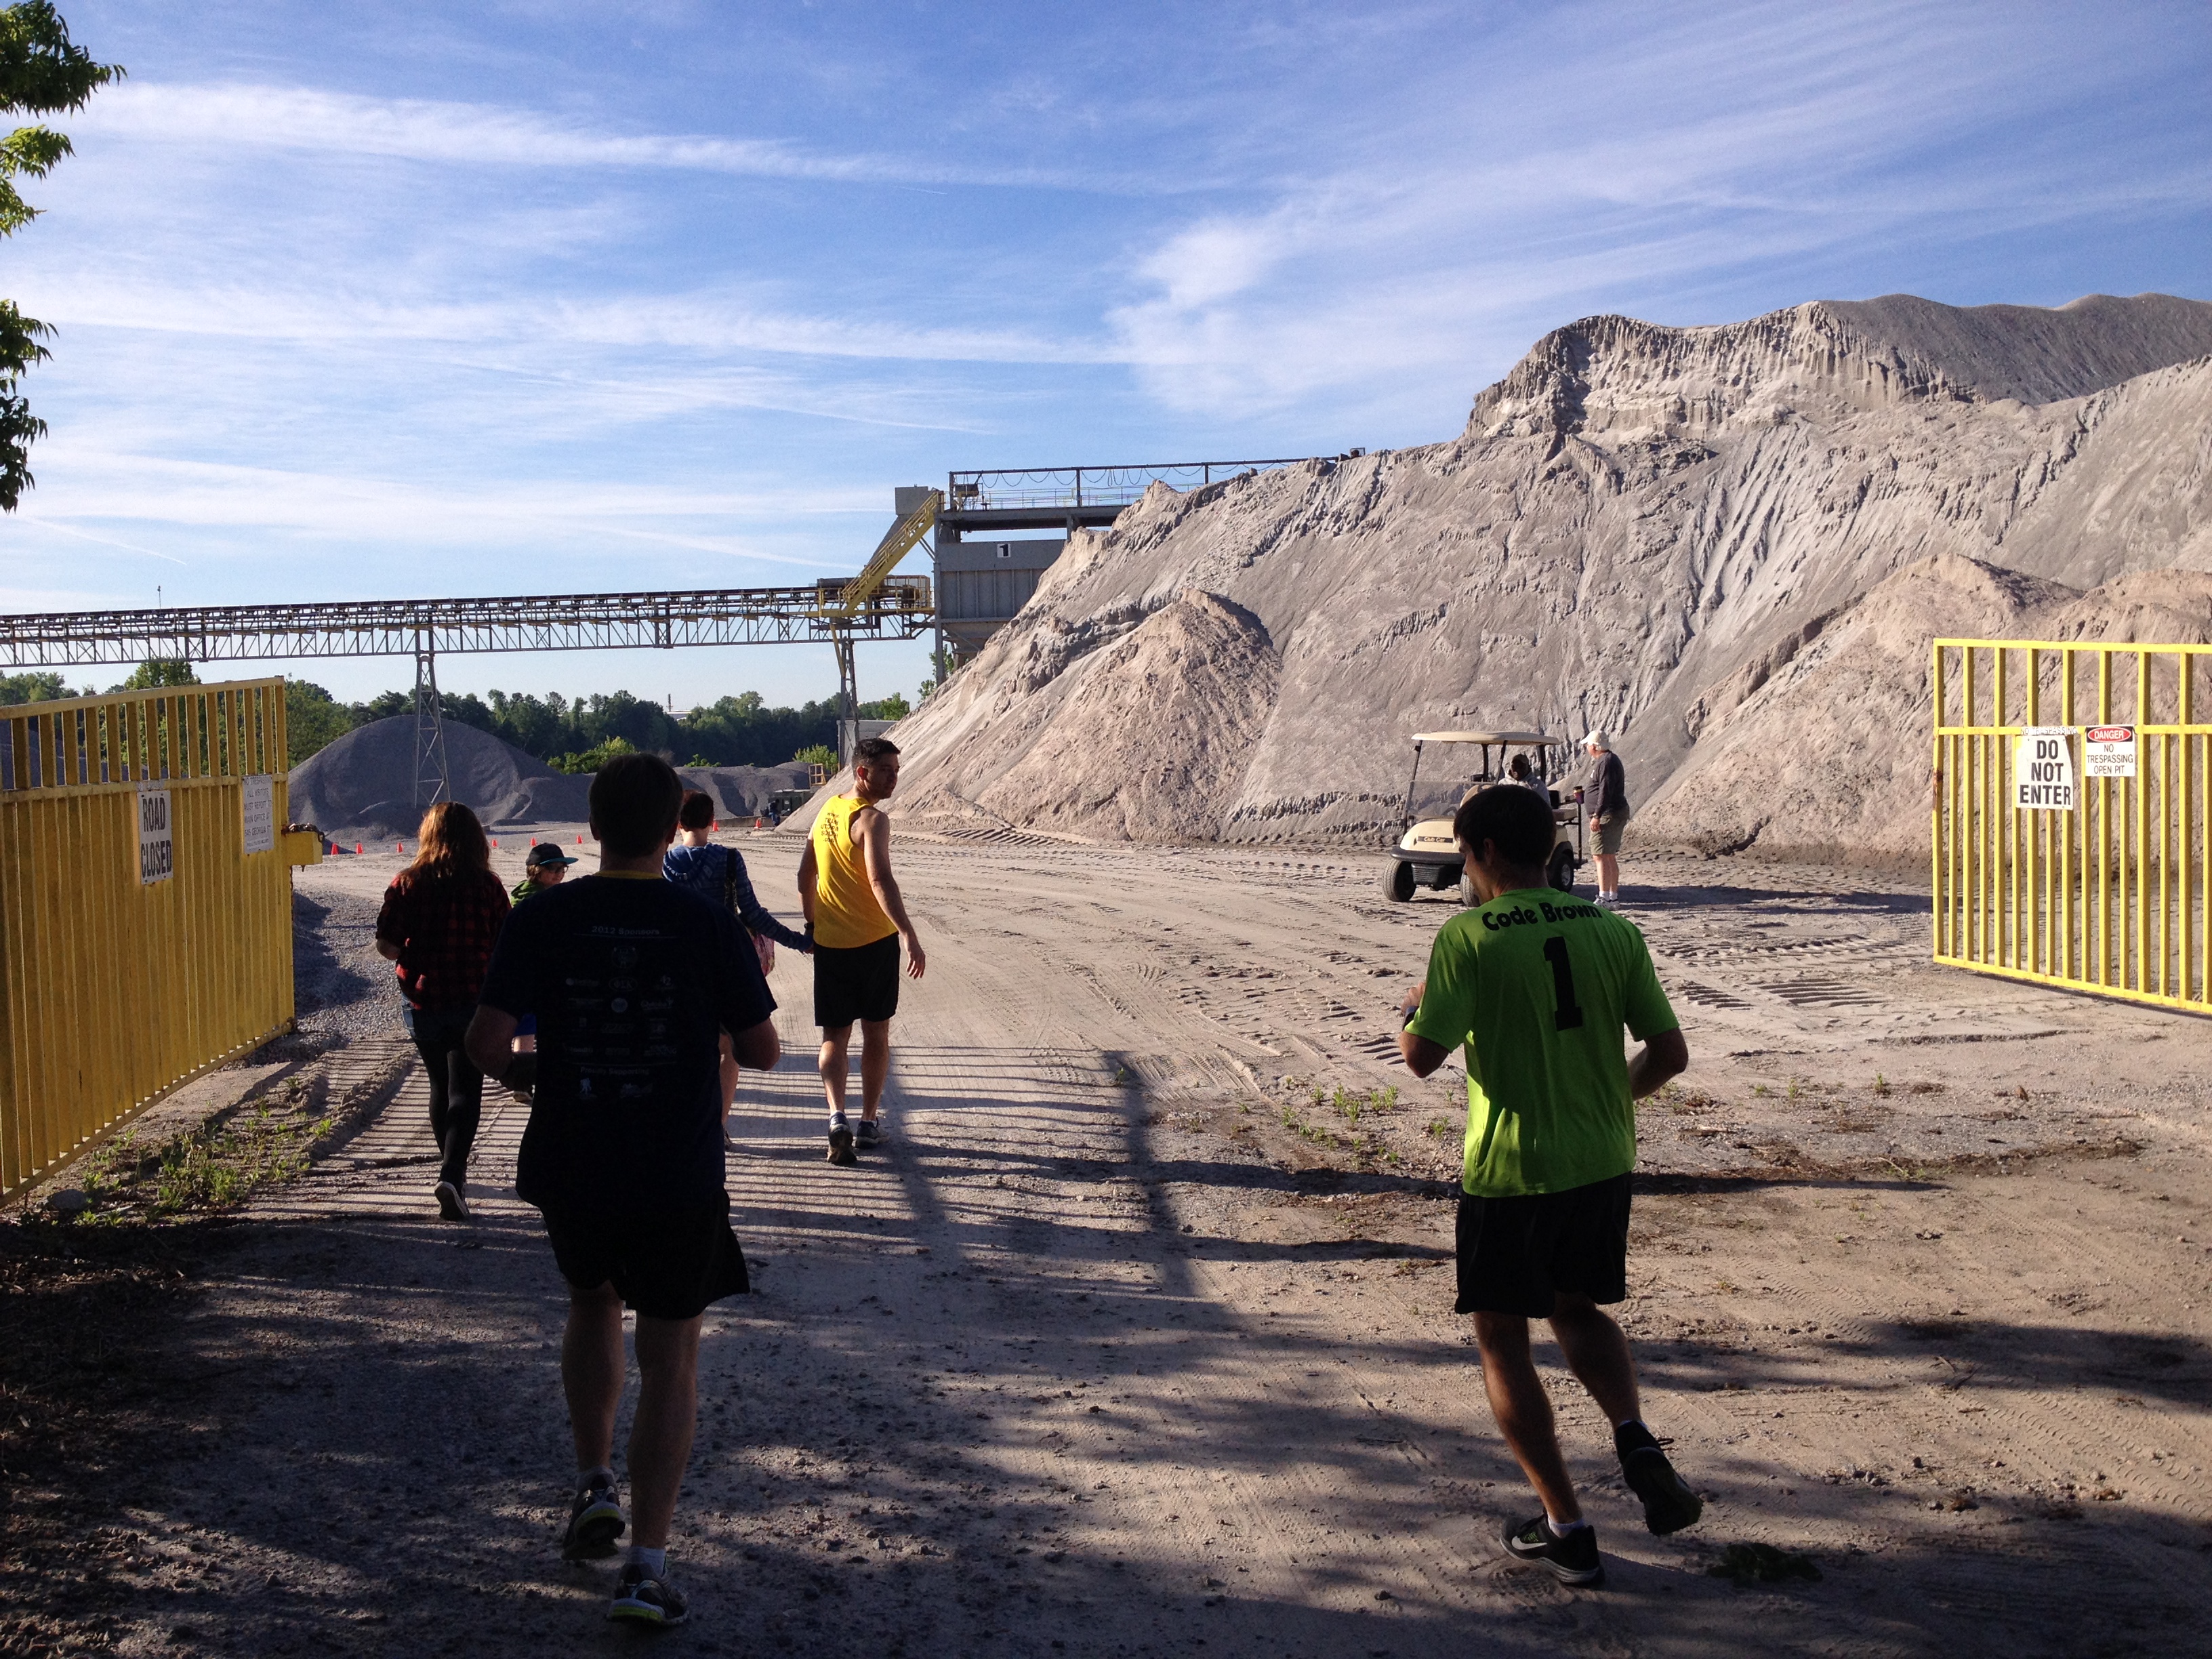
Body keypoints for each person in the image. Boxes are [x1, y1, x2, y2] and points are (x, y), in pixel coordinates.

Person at [465, 754, 779, 1630]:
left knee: (592, 1301)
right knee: (671, 1355)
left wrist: (535, 1073)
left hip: (573, 1161)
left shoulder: (544, 915)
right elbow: (761, 1052)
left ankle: (593, 1481)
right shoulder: (704, 921)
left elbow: (484, 1044)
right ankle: (646, 1568)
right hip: (676, 1169)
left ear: (595, 828)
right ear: (672, 828)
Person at [1395, 783, 1698, 1588]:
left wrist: (1416, 1005)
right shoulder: (1613, 931)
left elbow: (1420, 1058)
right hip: (1601, 1161)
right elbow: (1670, 1054)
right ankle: (1633, 1435)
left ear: (1487, 853)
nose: (1465, 869)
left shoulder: (1467, 937)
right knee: (1577, 1308)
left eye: (1465, 855)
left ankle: (1567, 1528)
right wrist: (1606, 1102)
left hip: (1513, 1170)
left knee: (1502, 1337)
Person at [374, 802, 510, 1222]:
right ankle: (453, 1172)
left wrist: (413, 953)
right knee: (465, 1087)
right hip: (472, 998)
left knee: (439, 1083)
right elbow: (505, 943)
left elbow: (387, 945)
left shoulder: (407, 883)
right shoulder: (488, 886)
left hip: (424, 1000)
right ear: (476, 839)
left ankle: (450, 1169)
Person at [796, 736, 925, 1164]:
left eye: (897, 770)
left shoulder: (825, 811)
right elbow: (879, 878)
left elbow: (805, 875)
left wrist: (812, 925)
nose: (894, 778)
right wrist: (907, 932)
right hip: (874, 943)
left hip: (831, 944)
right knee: (876, 1032)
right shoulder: (872, 819)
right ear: (862, 772)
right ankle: (868, 1122)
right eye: (886, 770)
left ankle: (837, 1116)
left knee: (834, 1036)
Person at [664, 790, 813, 1120]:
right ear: (711, 819)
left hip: (679, 969)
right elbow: (754, 915)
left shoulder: (666, 863)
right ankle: (719, 1125)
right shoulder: (729, 859)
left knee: (688, 1048)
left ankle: (689, 1120)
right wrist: (800, 942)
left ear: (678, 824)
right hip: (724, 968)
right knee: (729, 1050)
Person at [507, 842, 578, 1059]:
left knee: (525, 1028)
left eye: (562, 868)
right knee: (534, 1028)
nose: (559, 873)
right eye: (552, 868)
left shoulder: (524, 894)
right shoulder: (543, 900)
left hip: (524, 973)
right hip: (540, 973)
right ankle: (526, 1075)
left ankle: (521, 1075)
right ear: (536, 870)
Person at [1582, 731, 1629, 907]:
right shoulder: (1608, 760)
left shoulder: (1606, 762)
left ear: (1594, 746)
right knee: (1608, 855)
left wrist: (1597, 815)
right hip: (1612, 812)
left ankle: (1604, 898)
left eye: (1588, 745)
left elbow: (1605, 790)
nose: (1587, 748)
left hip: (1608, 814)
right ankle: (1612, 898)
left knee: (1600, 855)